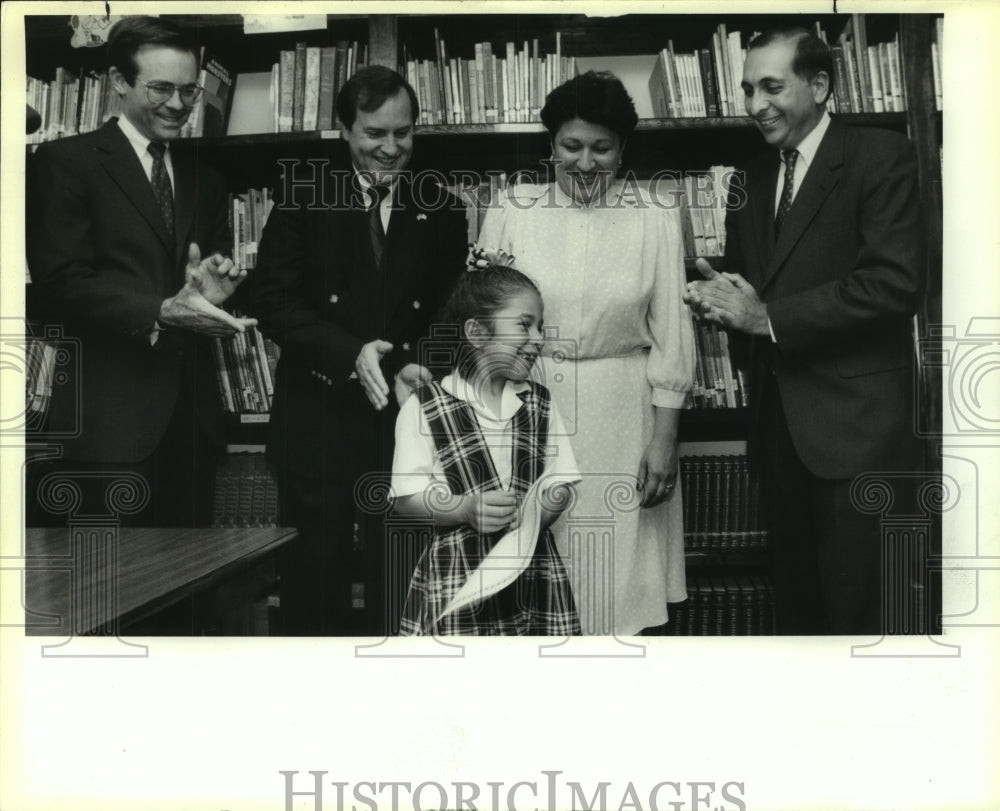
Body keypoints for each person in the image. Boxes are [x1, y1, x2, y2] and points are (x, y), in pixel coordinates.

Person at [683, 29, 925, 635]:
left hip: (859, 439)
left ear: (819, 86)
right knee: (799, 621)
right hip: (777, 438)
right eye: (746, 89)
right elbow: (750, 293)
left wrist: (768, 318)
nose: (754, 104)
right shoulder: (751, 177)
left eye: (772, 86)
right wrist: (719, 300)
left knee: (866, 622)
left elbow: (894, 286)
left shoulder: (881, 156)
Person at [476, 71, 696, 636]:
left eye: (602, 148)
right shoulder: (512, 208)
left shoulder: (654, 215)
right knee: (535, 579)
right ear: (551, 146)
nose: (585, 162)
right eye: (571, 146)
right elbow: (482, 326)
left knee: (617, 583)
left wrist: (664, 440)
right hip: (528, 406)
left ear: (622, 150)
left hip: (623, 413)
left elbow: (672, 334)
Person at [251, 66, 468, 636]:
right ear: (344, 129)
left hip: (404, 424)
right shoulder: (304, 198)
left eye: (403, 133)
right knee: (311, 587)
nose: (391, 148)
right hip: (315, 422)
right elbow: (271, 301)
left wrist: (418, 364)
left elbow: (451, 315)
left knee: (400, 584)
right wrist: (350, 353)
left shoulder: (442, 208)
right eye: (375, 133)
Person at [26, 16, 253, 529]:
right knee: (105, 599)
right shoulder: (65, 162)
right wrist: (159, 311)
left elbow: (202, 284)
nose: (178, 104)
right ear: (119, 83)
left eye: (189, 91)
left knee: (190, 594)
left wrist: (216, 292)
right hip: (105, 429)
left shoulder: (206, 177)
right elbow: (60, 283)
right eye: (161, 88)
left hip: (192, 427)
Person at [391, 259, 581, 635]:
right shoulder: (424, 406)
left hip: (533, 576)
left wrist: (542, 509)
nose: (539, 338)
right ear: (477, 332)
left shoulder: (540, 404)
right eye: (524, 325)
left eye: (540, 326)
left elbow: (561, 483)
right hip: (458, 577)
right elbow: (406, 497)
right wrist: (464, 508)